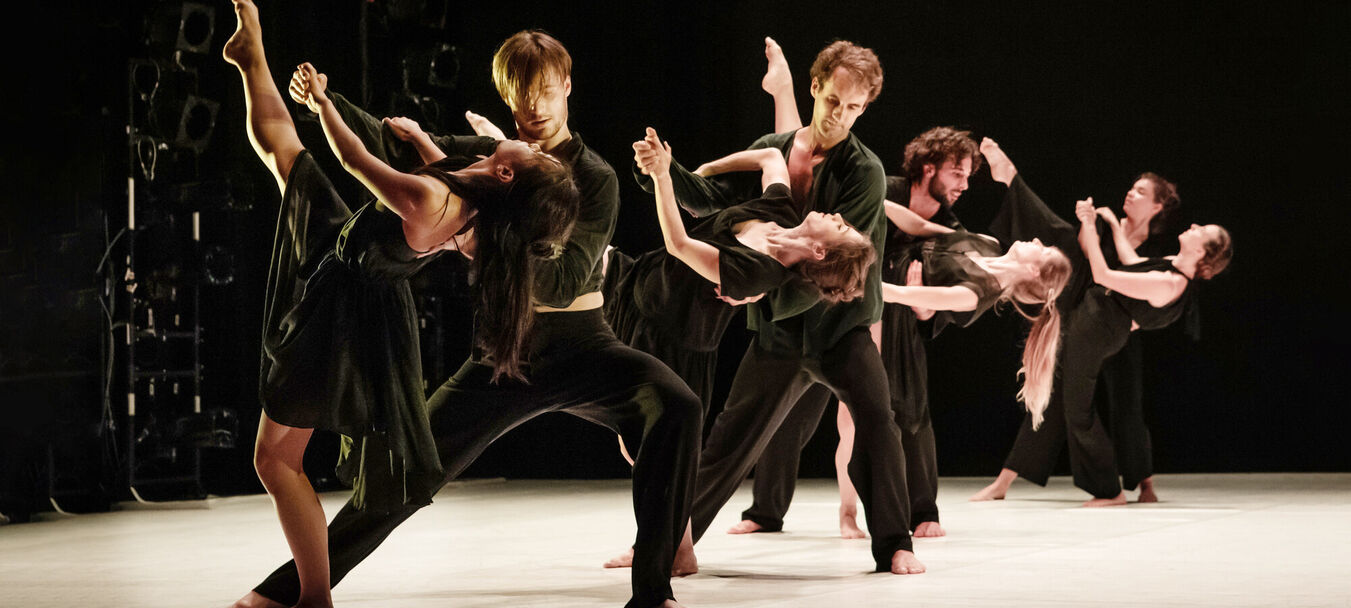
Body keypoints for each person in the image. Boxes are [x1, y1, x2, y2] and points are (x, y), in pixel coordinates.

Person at [232, 24, 702, 608]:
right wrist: (325, 100)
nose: (534, 107)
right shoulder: (494, 156)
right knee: (409, 473)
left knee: (674, 406)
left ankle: (655, 584)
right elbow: (400, 146)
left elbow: (561, 279)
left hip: (583, 343)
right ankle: (290, 590)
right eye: (521, 94)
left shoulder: (594, 178)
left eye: (546, 91)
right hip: (508, 352)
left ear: (567, 87)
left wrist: (476, 237)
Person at [617, 38, 927, 575]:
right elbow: (719, 205)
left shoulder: (864, 171)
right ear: (815, 88)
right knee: (728, 438)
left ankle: (895, 543)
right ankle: (667, 540)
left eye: (855, 107)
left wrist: (760, 290)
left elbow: (834, 263)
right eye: (834, 101)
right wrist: (666, 171)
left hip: (840, 326)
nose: (842, 115)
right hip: (780, 334)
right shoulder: (776, 146)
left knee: (878, 421)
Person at [970, 139, 1232, 506]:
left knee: (1099, 407)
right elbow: (1126, 265)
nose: (1130, 193)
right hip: (1096, 317)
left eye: (1141, 191)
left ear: (1157, 206)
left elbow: (1108, 274)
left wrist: (1091, 229)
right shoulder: (1171, 261)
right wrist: (1102, 224)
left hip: (1105, 325)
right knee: (1061, 397)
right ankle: (1010, 480)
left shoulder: (1170, 273)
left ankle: (1118, 488)